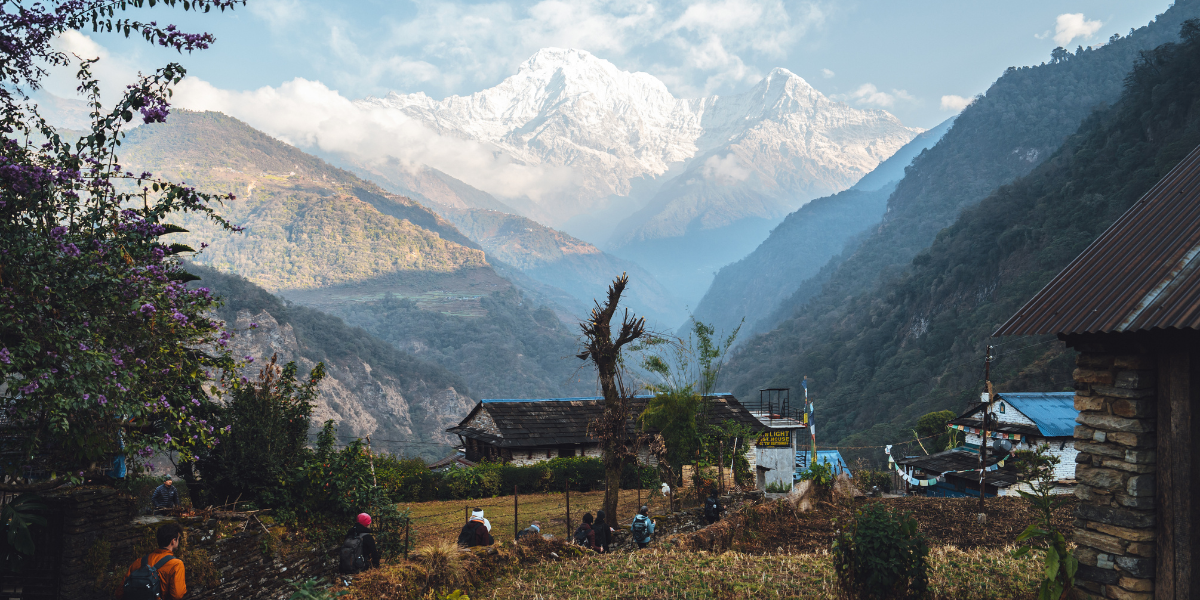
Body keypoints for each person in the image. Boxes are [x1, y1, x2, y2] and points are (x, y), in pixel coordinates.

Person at [117, 522, 186, 599]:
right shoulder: (176, 564)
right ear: (173, 541)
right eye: (179, 539)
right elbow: (177, 595)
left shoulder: (139, 561)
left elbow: (120, 592)